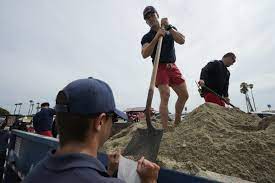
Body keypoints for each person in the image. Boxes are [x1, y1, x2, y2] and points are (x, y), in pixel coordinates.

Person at [24, 77, 160, 183]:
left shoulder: (37, 172)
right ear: (100, 121)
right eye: (112, 118)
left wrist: (109, 171)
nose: (112, 124)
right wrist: (150, 180)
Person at [141, 6, 189, 129]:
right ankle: (165, 129)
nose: (150, 19)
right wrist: (156, 37)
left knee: (184, 95)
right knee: (165, 94)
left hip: (172, 66)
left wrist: (168, 27)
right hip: (159, 67)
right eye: (147, 18)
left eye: (152, 15)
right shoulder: (147, 37)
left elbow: (182, 40)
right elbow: (145, 54)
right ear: (146, 21)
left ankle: (177, 118)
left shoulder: (169, 29)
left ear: (157, 14)